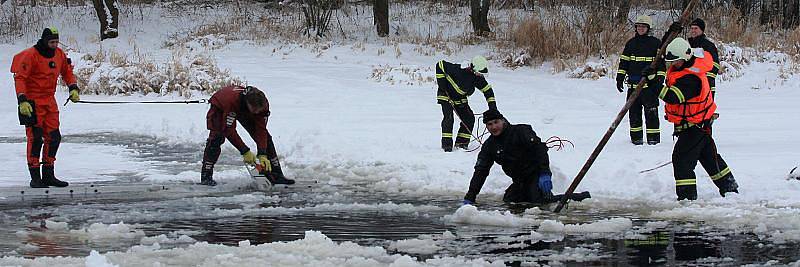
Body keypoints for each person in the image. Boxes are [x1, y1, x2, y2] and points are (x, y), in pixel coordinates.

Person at [642, 33, 739, 200]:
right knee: (709, 158)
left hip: (695, 127)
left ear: (686, 57)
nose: (673, 64)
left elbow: (673, 96)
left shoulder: (691, 78)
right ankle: (729, 187)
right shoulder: (682, 68)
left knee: (681, 160)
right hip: (698, 125)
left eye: (676, 61)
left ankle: (687, 198)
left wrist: (653, 83)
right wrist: (655, 75)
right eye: (671, 61)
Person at [462, 110, 590, 205]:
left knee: (539, 202)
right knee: (509, 201)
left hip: (536, 175)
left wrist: (545, 173)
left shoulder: (521, 131)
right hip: (519, 180)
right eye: (490, 124)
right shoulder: (489, 146)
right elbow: (481, 171)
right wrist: (470, 196)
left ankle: (582, 198)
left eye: (496, 122)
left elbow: (539, 150)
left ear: (503, 121)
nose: (494, 127)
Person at [11, 27, 80, 188]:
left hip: (49, 101)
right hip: (31, 102)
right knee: (36, 138)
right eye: (51, 42)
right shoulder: (31, 55)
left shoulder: (59, 54)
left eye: (56, 42)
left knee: (54, 137)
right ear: (44, 40)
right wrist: (22, 99)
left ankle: (49, 175)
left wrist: (73, 87)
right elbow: (20, 78)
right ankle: (35, 177)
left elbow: (67, 71)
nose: (54, 45)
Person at [201, 85, 294, 186]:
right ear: (248, 103)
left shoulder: (262, 105)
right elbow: (229, 130)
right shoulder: (231, 102)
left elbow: (261, 130)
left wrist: (262, 153)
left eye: (259, 111)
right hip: (221, 106)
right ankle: (206, 175)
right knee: (217, 137)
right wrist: (245, 151)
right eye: (255, 110)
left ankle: (277, 174)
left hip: (244, 108)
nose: (257, 112)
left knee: (266, 138)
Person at [616, 15, 665, 145]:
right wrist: (620, 77)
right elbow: (624, 62)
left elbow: (661, 64)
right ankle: (636, 140)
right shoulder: (631, 44)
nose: (641, 29)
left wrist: (659, 79)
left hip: (649, 88)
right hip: (633, 87)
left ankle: (653, 140)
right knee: (634, 115)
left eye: (643, 27)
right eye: (638, 26)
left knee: (651, 115)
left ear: (648, 28)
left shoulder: (655, 43)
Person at [435, 56, 498, 152]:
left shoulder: (478, 78)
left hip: (460, 98)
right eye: (479, 73)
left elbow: (487, 91)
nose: (480, 75)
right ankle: (446, 146)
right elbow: (440, 65)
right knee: (449, 118)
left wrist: (493, 107)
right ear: (472, 69)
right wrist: (442, 85)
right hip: (446, 96)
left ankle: (461, 144)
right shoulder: (457, 70)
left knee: (469, 118)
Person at [687, 19, 721, 97]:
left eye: (696, 28)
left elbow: (715, 65)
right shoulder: (688, 45)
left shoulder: (708, 45)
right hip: (690, 85)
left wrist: (704, 80)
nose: (693, 30)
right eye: (692, 28)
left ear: (702, 30)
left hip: (706, 86)